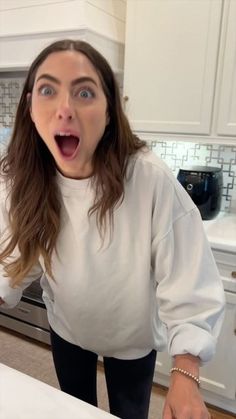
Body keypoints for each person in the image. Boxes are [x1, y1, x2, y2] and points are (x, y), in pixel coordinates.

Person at [0, 39, 225, 419]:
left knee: (129, 412)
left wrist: (186, 376)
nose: (65, 109)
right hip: (68, 329)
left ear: (109, 111)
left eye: (84, 92)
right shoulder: (22, 178)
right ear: (30, 109)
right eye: (47, 90)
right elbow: (15, 258)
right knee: (74, 410)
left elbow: (188, 280)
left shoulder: (148, 178)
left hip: (132, 339)